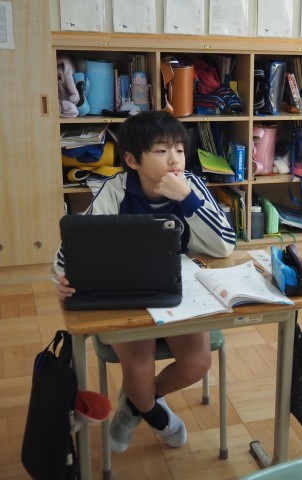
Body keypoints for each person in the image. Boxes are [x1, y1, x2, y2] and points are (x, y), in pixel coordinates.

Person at [53, 110, 236, 453]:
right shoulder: (116, 189)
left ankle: (135, 404)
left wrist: (187, 199)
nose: (174, 160)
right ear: (132, 160)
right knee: (138, 371)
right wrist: (62, 277)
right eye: (161, 151)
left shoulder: (191, 186)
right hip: (127, 291)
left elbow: (225, 244)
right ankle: (155, 414)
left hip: (178, 291)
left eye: (179, 149)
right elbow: (74, 247)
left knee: (197, 363)